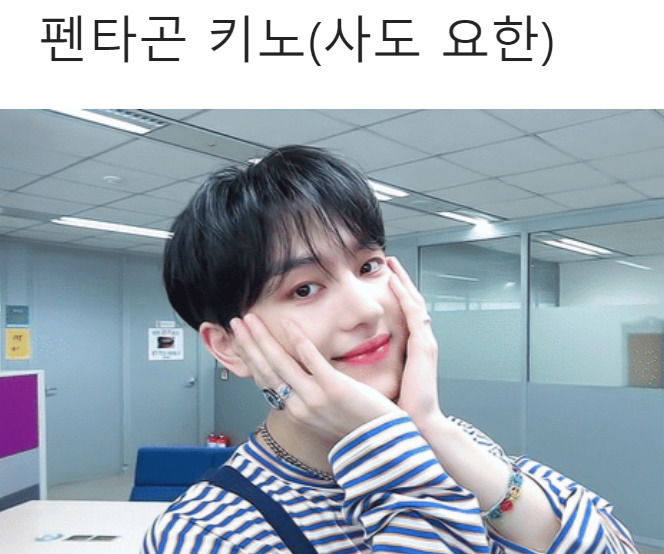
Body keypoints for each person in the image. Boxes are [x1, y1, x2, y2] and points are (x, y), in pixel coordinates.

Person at [143, 145, 637, 554]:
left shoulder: (454, 439)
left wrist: (431, 430)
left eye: (368, 266)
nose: (366, 309)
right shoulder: (209, 534)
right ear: (229, 347)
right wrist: (389, 449)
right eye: (304, 289)